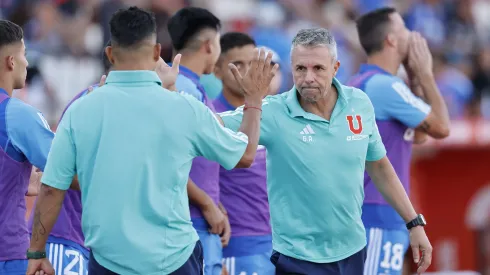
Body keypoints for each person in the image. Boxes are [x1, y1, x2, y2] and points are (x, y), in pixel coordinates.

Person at [26, 6, 277, 275]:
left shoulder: (81, 110)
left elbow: (52, 188)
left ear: (110, 53)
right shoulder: (184, 107)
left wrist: (37, 251)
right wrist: (253, 100)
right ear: (158, 52)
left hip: (109, 261)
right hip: (175, 260)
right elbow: (245, 155)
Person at [218, 27, 433, 275]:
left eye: (318, 68)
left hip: (353, 251)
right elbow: (212, 124)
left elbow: (380, 166)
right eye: (300, 69)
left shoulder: (359, 104)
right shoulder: (273, 111)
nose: (308, 77)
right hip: (297, 257)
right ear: (291, 68)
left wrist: (414, 223)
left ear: (335, 67)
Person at [349, 8, 450, 275]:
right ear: (391, 40)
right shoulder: (386, 87)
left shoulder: (362, 82)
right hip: (379, 213)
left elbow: (420, 134)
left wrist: (414, 80)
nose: (413, 36)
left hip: (370, 212)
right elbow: (441, 127)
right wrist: (427, 74)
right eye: (405, 29)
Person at [25, 42, 112, 275]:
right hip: (63, 242)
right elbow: (58, 175)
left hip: (89, 246)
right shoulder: (88, 105)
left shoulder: (122, 107)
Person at [167, 7, 228, 275]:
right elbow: (168, 158)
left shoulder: (186, 84)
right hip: (189, 221)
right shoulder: (183, 89)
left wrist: (216, 203)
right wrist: (206, 204)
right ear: (208, 44)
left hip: (197, 216)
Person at [213, 32, 275, 275]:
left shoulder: (273, 113)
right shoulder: (210, 118)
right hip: (238, 244)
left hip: (280, 243)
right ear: (217, 70)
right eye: (237, 64)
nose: (247, 71)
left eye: (252, 64)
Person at [0, 19, 54, 275]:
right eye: (24, 54)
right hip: (8, 255)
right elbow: (66, 171)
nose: (27, 63)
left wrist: (16, 183)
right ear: (11, 61)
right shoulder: (19, 115)